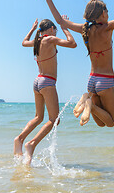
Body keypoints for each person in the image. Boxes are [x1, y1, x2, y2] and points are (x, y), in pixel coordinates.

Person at [39, 0, 114, 127]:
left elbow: (60, 22)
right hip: (106, 80)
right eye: (107, 12)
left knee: (101, 123)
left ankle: (87, 98)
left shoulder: (85, 29)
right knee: (110, 123)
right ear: (103, 13)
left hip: (92, 80)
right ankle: (88, 103)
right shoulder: (107, 28)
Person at [14, 17, 76, 165]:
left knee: (38, 117)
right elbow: (73, 44)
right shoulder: (49, 40)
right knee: (55, 120)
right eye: (54, 28)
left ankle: (19, 139)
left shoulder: (37, 41)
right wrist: (64, 27)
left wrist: (32, 29)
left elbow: (23, 42)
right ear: (50, 29)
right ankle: (31, 144)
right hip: (47, 82)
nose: (55, 31)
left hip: (37, 82)